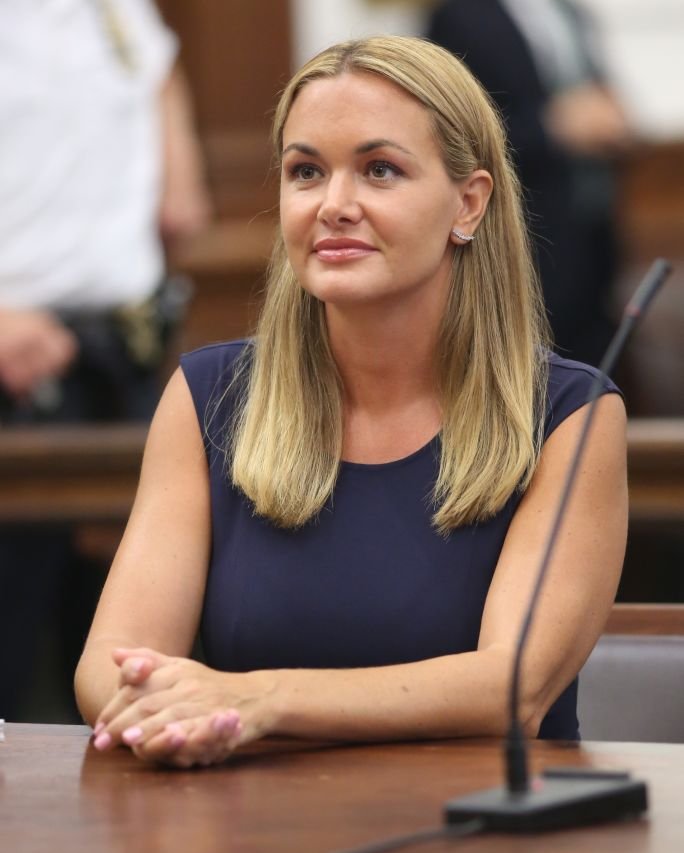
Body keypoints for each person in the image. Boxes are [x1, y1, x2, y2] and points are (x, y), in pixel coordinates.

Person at [77, 35, 627, 768]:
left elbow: (512, 688)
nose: (334, 205)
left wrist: (261, 701)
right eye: (306, 172)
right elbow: (108, 667)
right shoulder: (209, 397)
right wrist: (163, 699)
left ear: (470, 202)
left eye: (380, 170)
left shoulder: (570, 415)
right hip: (246, 849)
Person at [0, 0, 210, 722]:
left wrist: (177, 162)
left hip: (123, 349)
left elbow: (154, 77)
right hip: (15, 361)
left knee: (118, 642)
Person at [426, 0, 632, 367]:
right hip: (525, 229)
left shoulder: (571, 13)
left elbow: (595, 93)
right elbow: (453, 132)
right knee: (533, 366)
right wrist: (552, 128)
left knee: (591, 362)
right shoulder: (460, 17)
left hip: (591, 225)